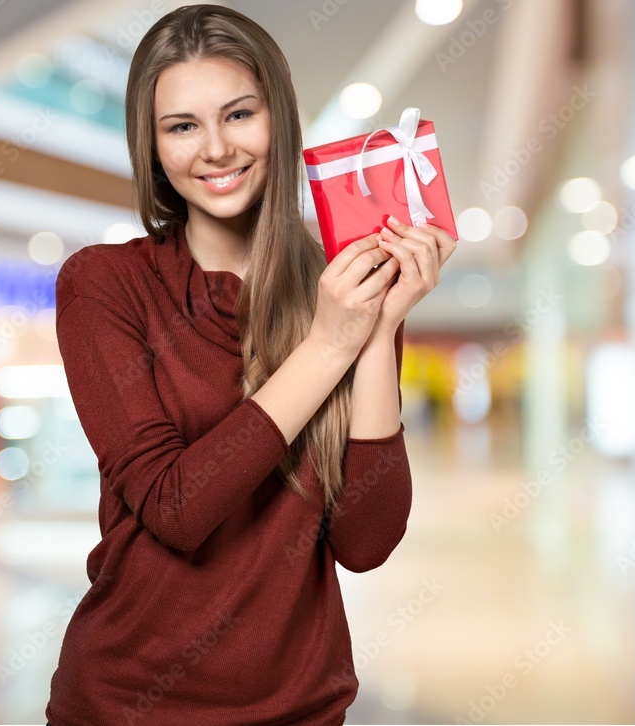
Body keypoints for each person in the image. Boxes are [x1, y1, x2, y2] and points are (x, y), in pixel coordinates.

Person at [44, 5, 457, 725]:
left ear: (280, 120)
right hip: (126, 704)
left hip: (301, 705)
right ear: (152, 145)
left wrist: (382, 323)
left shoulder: (345, 291)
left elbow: (365, 542)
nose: (214, 149)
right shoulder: (103, 284)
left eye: (238, 115)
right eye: (181, 126)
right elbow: (176, 507)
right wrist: (330, 344)